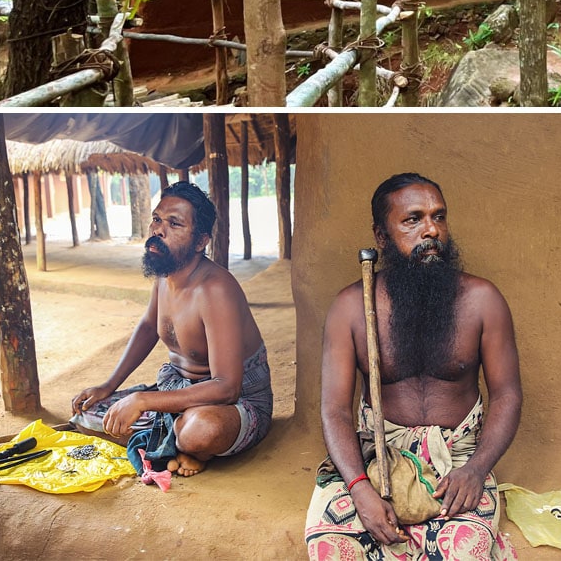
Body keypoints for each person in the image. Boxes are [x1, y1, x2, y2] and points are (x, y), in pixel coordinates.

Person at [305, 173, 522, 561]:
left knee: (464, 554)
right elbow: (334, 409)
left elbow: (507, 393)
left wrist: (476, 469)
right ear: (381, 236)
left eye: (439, 217)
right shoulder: (352, 307)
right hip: (377, 455)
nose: (431, 230)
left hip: (458, 457)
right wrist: (359, 487)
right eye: (413, 220)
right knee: (332, 551)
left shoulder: (482, 299)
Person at [71, 182, 273, 477]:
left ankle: (182, 440)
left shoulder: (215, 290)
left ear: (201, 241)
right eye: (157, 219)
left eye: (174, 223)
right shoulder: (165, 274)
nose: (158, 230)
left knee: (200, 431)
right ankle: (174, 438)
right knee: (84, 414)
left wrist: (143, 401)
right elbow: (148, 326)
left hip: (234, 404)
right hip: (177, 393)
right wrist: (109, 386)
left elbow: (227, 387)